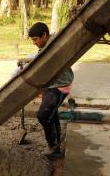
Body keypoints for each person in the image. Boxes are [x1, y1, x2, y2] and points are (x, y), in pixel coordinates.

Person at [20, 22, 74, 157]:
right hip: (50, 84)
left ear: (44, 35)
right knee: (51, 113)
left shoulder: (52, 46)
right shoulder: (47, 44)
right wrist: (28, 60)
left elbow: (44, 60)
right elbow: (40, 58)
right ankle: (56, 141)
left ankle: (53, 146)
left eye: (35, 39)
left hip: (59, 86)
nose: (34, 42)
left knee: (43, 116)